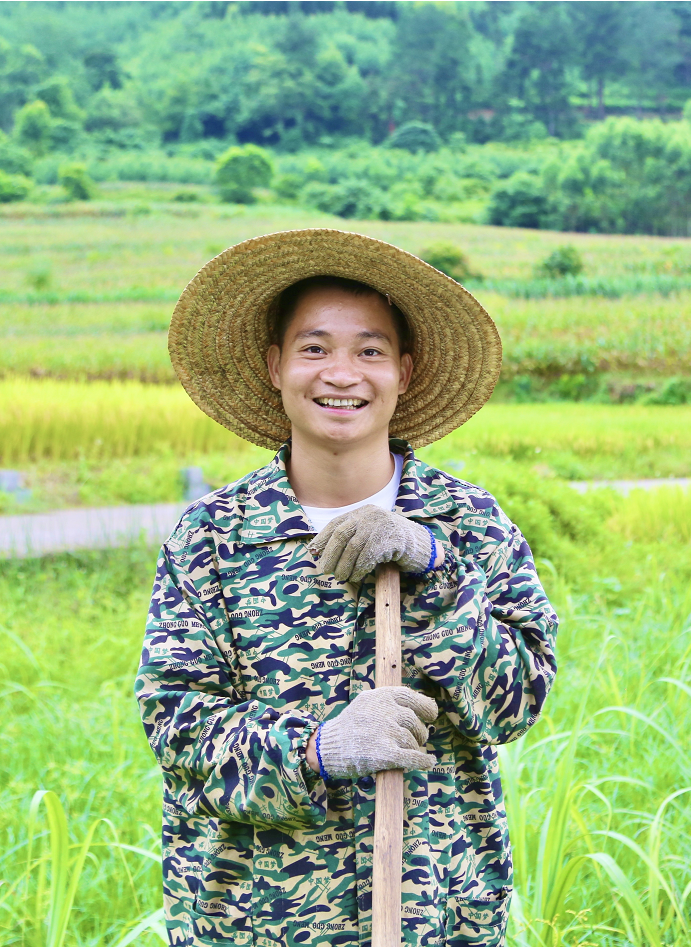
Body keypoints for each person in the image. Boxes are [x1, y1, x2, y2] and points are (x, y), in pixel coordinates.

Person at [136, 229, 558, 947]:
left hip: (438, 916)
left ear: (406, 371)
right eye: (314, 348)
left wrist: (436, 570)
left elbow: (519, 701)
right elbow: (176, 725)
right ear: (275, 367)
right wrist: (319, 749)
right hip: (252, 921)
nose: (341, 374)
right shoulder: (212, 538)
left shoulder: (468, 524)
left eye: (369, 350)